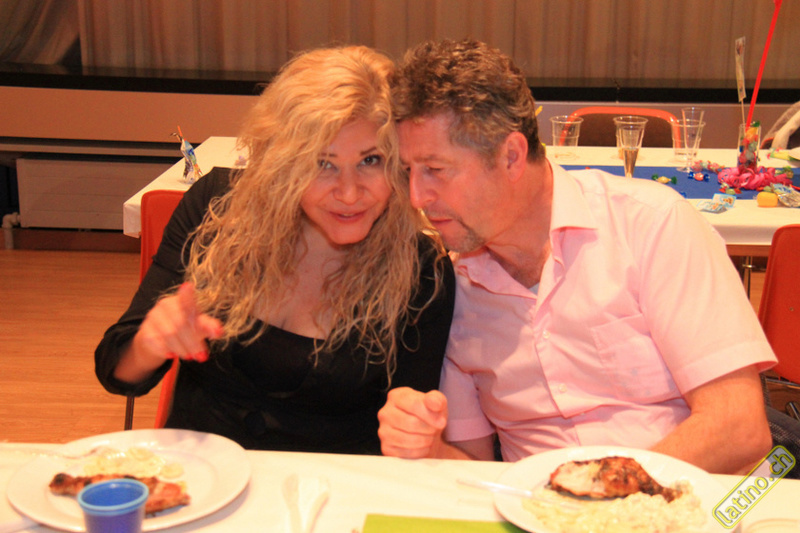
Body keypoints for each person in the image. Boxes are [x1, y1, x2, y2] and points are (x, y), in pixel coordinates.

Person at [377, 39, 777, 474]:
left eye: (435, 170)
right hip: (535, 505)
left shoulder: (650, 226)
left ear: (511, 156)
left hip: (686, 499)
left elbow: (739, 428)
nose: (417, 196)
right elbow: (475, 467)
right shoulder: (456, 290)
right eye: (409, 172)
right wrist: (428, 448)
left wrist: (600, 495)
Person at [95, 45, 455, 454]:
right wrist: (150, 343)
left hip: (331, 486)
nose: (349, 193)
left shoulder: (421, 271)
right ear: (283, 163)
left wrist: (416, 430)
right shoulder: (217, 207)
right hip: (200, 475)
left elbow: (411, 428)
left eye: (371, 160)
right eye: (323, 163)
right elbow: (116, 371)